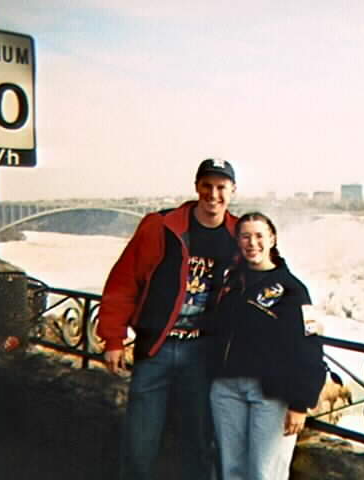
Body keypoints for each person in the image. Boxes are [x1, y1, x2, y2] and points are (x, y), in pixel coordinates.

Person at [97, 158, 239, 480]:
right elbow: (124, 281)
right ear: (196, 187)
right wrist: (114, 338)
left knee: (199, 441)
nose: (213, 194)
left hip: (203, 355)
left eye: (221, 187)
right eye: (207, 185)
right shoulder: (161, 226)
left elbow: (265, 278)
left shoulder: (239, 235)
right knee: (139, 441)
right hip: (156, 348)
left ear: (232, 191)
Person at [209, 212, 326, 480]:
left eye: (259, 236)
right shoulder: (231, 282)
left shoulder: (293, 290)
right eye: (245, 236)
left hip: (270, 395)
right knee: (231, 470)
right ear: (238, 241)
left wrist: (301, 403)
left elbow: (309, 347)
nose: (253, 243)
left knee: (265, 473)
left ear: (272, 238)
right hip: (226, 390)